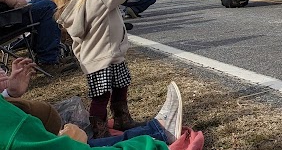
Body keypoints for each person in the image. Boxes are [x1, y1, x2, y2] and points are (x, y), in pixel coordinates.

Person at [1, 57, 183, 148]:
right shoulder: (12, 127)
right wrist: (148, 146)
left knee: (114, 92)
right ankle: (158, 132)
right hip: (98, 61)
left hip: (43, 129)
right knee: (100, 100)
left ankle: (155, 130)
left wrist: (10, 93)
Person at [56, 0, 145, 139]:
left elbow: (77, 42)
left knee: (105, 93)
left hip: (96, 59)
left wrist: (82, 58)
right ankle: (107, 126)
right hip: (109, 54)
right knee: (111, 93)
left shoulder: (75, 4)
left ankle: (104, 126)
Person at [0, 0, 75, 75]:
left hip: (10, 14)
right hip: (8, 20)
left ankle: (48, 55)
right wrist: (20, 3)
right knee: (48, 7)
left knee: (43, 2)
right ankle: (48, 60)